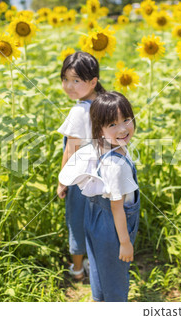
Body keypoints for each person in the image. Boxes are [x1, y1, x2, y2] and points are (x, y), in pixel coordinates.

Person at [59, 91, 140, 301]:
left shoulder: (101, 145)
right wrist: (124, 242)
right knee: (114, 276)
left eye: (126, 120)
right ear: (100, 130)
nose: (122, 128)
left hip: (94, 217)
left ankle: (99, 300)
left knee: (98, 266)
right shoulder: (116, 166)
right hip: (113, 227)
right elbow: (117, 207)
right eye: (112, 124)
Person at [56, 51, 106, 281]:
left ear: (92, 81)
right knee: (98, 221)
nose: (69, 86)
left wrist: (61, 181)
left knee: (76, 220)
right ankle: (95, 263)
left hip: (80, 178)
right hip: (104, 176)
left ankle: (77, 270)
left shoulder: (78, 111)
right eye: (65, 79)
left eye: (76, 80)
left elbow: (71, 150)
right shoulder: (106, 103)